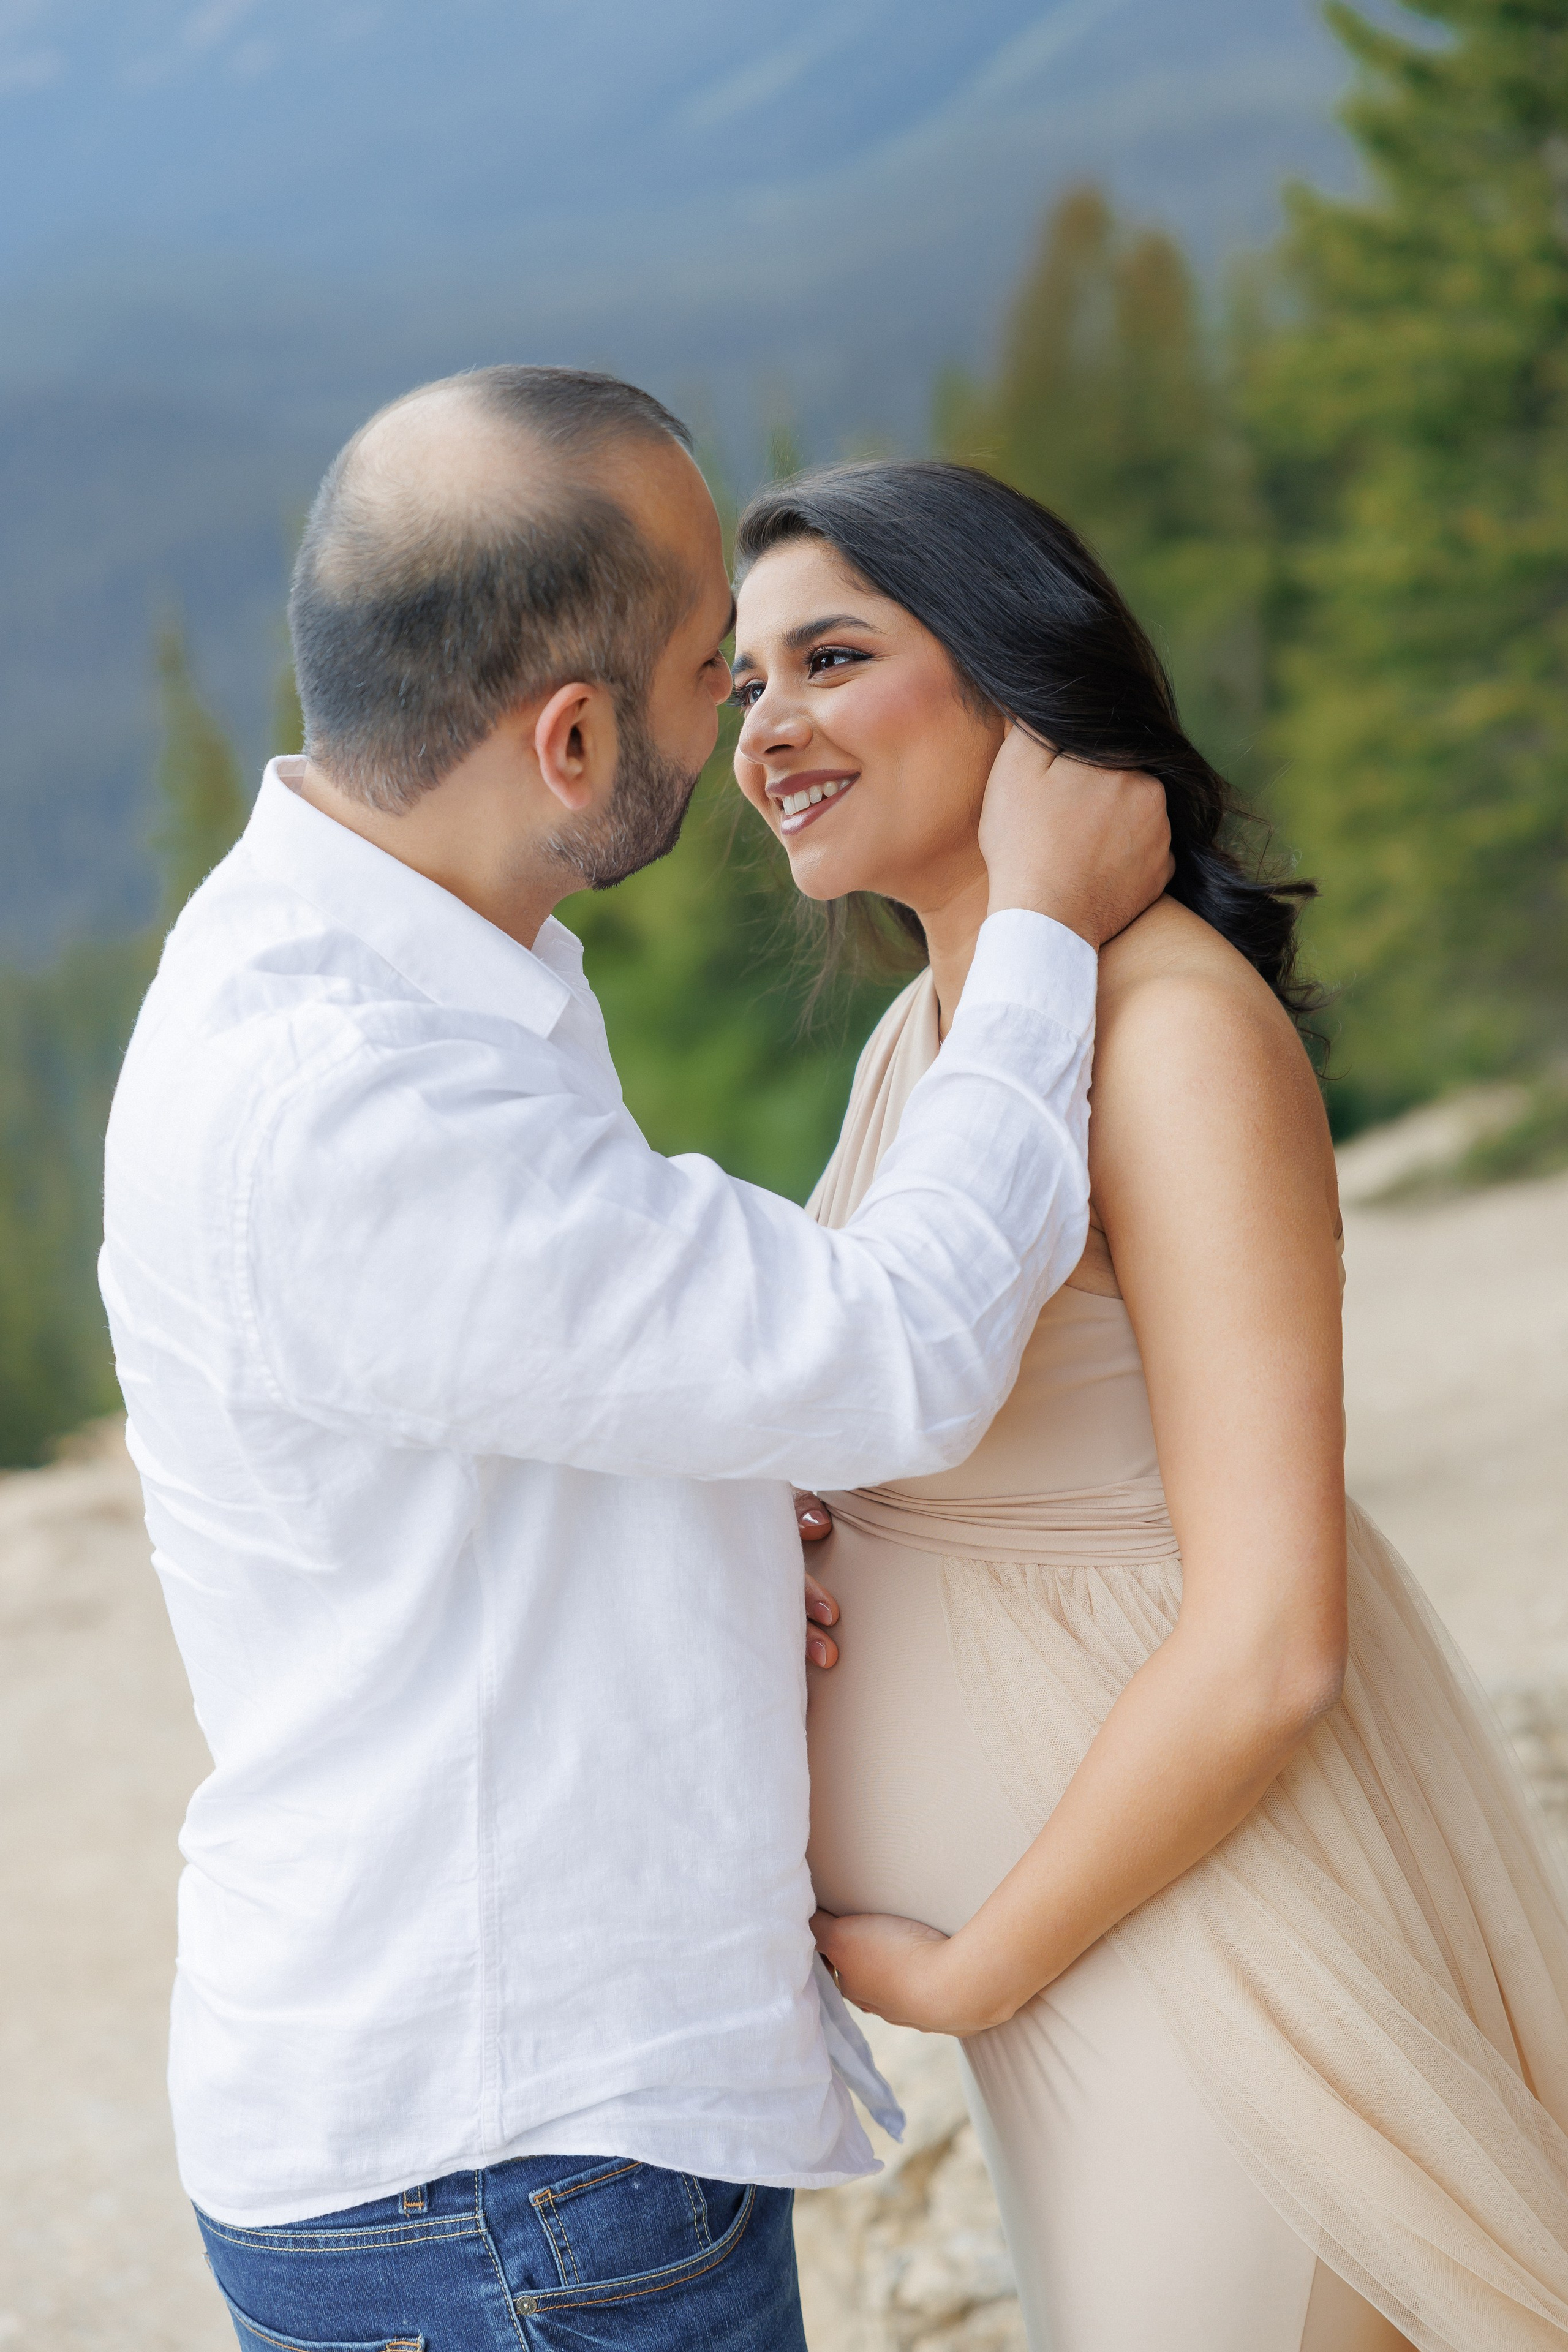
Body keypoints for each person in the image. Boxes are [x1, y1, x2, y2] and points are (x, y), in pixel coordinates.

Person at [98, 371, 1170, 2350]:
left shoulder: (404, 952)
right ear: (571, 738)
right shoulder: (343, 1101)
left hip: (505, 2146)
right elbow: (900, 1350)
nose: (754, 723)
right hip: (507, 2161)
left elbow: (533, 1417)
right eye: (716, 675)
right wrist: (1045, 934)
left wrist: (717, 1542)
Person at [729, 459, 1568, 2352]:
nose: (766, 730)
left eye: (831, 658)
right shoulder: (935, 1032)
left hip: (1198, 1954)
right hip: (1092, 1963)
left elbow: (1275, 1638)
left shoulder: (1172, 1035)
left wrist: (978, 1971)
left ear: (1024, 684)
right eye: (743, 683)